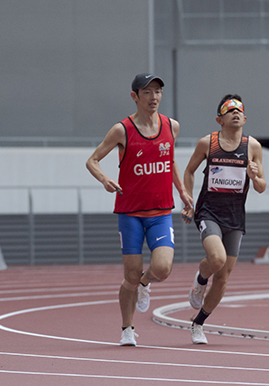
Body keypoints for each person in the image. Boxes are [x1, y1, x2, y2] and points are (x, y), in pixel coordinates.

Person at [86, 73, 194, 347]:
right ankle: (127, 329)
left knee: (163, 267)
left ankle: (146, 284)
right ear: (135, 96)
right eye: (147, 92)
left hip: (160, 212)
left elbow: (169, 161)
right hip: (130, 213)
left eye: (157, 91)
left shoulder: (172, 126)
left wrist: (182, 192)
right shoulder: (122, 130)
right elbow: (92, 160)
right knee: (129, 277)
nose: (154, 97)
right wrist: (105, 179)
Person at [182, 94, 267, 345]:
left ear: (245, 118)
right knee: (216, 259)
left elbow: (262, 186)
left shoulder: (253, 147)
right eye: (229, 110)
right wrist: (189, 203)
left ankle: (198, 323)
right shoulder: (208, 143)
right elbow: (188, 171)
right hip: (209, 212)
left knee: (223, 278)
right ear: (219, 119)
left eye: (239, 109)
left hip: (235, 217)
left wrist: (254, 175)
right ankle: (199, 281)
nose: (235, 112)